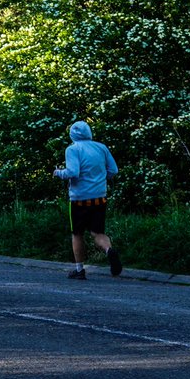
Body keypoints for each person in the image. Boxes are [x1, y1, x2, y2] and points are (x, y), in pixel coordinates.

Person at [53, 120, 122, 280]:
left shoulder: (73, 149)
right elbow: (113, 170)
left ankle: (79, 270)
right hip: (99, 197)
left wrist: (58, 173)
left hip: (79, 199)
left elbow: (73, 172)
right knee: (98, 232)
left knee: (77, 233)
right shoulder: (101, 147)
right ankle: (109, 251)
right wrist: (100, 180)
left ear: (72, 134)